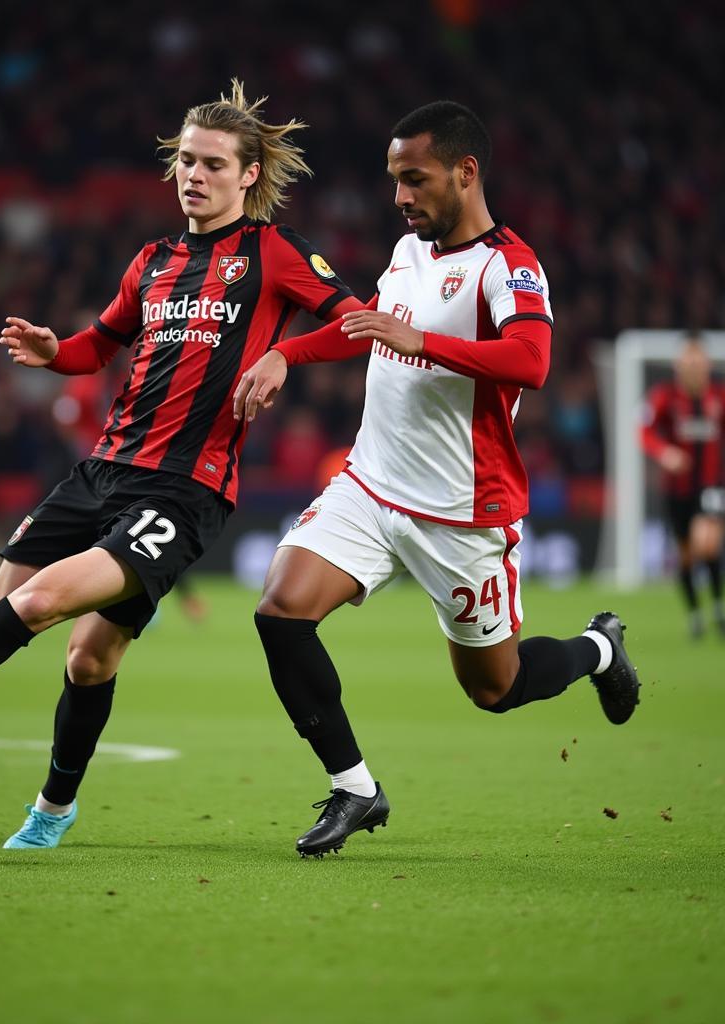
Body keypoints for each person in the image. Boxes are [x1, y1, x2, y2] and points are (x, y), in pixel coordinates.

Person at [0, 81, 362, 850]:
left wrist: (284, 354)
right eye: (184, 162)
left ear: (248, 177)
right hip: (100, 472)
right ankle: (58, 809)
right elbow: (99, 345)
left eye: (210, 165)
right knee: (81, 652)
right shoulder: (154, 261)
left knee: (37, 605)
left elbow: (356, 323)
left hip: (185, 491)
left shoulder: (274, 254)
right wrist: (52, 352)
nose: (192, 176)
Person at [233, 100, 641, 859]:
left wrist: (419, 340)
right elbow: (364, 325)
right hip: (370, 484)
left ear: (466, 171)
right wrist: (288, 354)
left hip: (461, 509)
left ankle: (599, 650)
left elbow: (533, 361)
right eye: (394, 181)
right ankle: (355, 789)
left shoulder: (508, 266)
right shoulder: (407, 251)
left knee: (496, 688)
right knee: (280, 612)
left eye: (413, 179)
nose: (401, 197)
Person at [640, 333, 725, 638]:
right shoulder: (664, 397)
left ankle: (718, 606)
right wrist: (664, 452)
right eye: (687, 360)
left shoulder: (721, 396)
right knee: (687, 556)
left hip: (712, 484)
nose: (693, 366)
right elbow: (644, 432)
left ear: (707, 363)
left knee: (707, 543)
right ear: (679, 365)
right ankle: (695, 614)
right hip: (677, 489)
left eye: (698, 360)